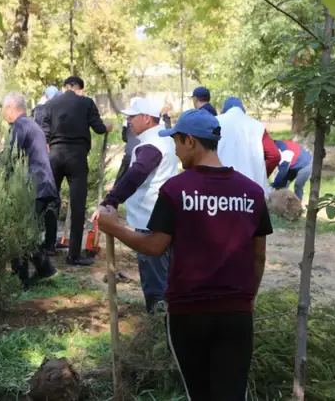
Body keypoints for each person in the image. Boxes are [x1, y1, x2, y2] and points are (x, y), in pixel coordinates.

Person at [96, 109, 272, 400]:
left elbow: (155, 246)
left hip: (188, 314)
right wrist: (247, 298)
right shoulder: (252, 193)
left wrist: (114, 228)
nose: (175, 153)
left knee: (199, 394)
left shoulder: (176, 190)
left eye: (177, 143)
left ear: (190, 141)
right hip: (236, 313)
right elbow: (259, 257)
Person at [93, 97, 178, 313]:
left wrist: (111, 201)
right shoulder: (162, 138)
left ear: (147, 119)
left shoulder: (152, 145)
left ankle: (158, 320)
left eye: (132, 116)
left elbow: (135, 175)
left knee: (155, 276)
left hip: (150, 218)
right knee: (166, 273)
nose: (128, 121)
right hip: (162, 214)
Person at [0, 92, 58, 289]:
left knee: (18, 232)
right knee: (27, 232)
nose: (4, 114)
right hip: (41, 186)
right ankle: (46, 270)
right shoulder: (30, 124)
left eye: (4, 110)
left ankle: (21, 282)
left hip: (34, 188)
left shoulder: (19, 126)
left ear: (11, 108)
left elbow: (9, 156)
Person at [41, 76, 113, 267]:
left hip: (54, 156)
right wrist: (107, 127)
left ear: (65, 88)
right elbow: (98, 128)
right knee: (78, 204)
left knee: (50, 201)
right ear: (79, 89)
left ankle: (49, 247)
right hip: (77, 157)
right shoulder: (86, 103)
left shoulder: (51, 104)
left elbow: (44, 133)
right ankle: (73, 255)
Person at [217, 97, 280, 192]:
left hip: (220, 185)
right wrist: (260, 173)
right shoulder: (257, 126)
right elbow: (274, 156)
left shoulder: (214, 122)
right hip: (251, 187)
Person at [116, 97, 141, 181]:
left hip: (129, 156)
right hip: (140, 158)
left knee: (120, 184)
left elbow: (125, 138)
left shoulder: (127, 122)